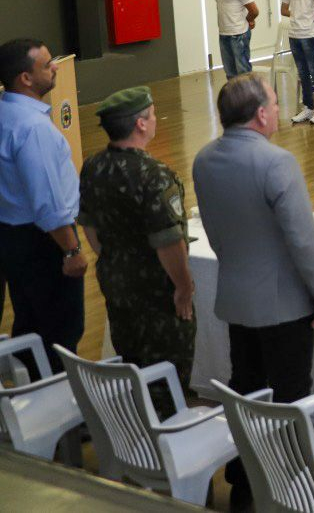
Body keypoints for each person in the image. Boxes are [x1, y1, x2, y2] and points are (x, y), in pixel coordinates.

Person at [192, 74, 314, 499]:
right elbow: (301, 238)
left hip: (235, 293)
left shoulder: (203, 159)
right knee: (290, 395)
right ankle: (289, 486)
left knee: (246, 389)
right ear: (260, 115)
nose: (275, 111)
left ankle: (242, 481)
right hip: (284, 303)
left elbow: (216, 231)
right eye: (273, 103)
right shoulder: (276, 162)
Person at [78, 86, 196, 417]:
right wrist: (184, 287)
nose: (156, 119)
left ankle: (136, 449)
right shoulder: (155, 176)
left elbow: (88, 224)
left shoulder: (93, 166)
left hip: (117, 284)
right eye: (154, 114)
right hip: (157, 293)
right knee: (168, 383)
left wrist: (113, 258)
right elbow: (168, 242)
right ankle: (165, 452)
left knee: (132, 367)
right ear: (141, 124)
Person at [0, 38, 85, 371]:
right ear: (25, 77)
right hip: (44, 241)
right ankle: (54, 407)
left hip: (12, 236)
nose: (55, 68)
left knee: (29, 321)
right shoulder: (33, 128)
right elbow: (47, 203)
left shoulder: (6, 113)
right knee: (60, 331)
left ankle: (24, 399)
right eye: (47, 64)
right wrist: (71, 250)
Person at [214, 0, 259, 78]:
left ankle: (248, 97)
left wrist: (250, 20)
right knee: (229, 72)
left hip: (239, 34)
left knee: (243, 71)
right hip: (224, 34)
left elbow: (254, 10)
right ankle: (234, 97)